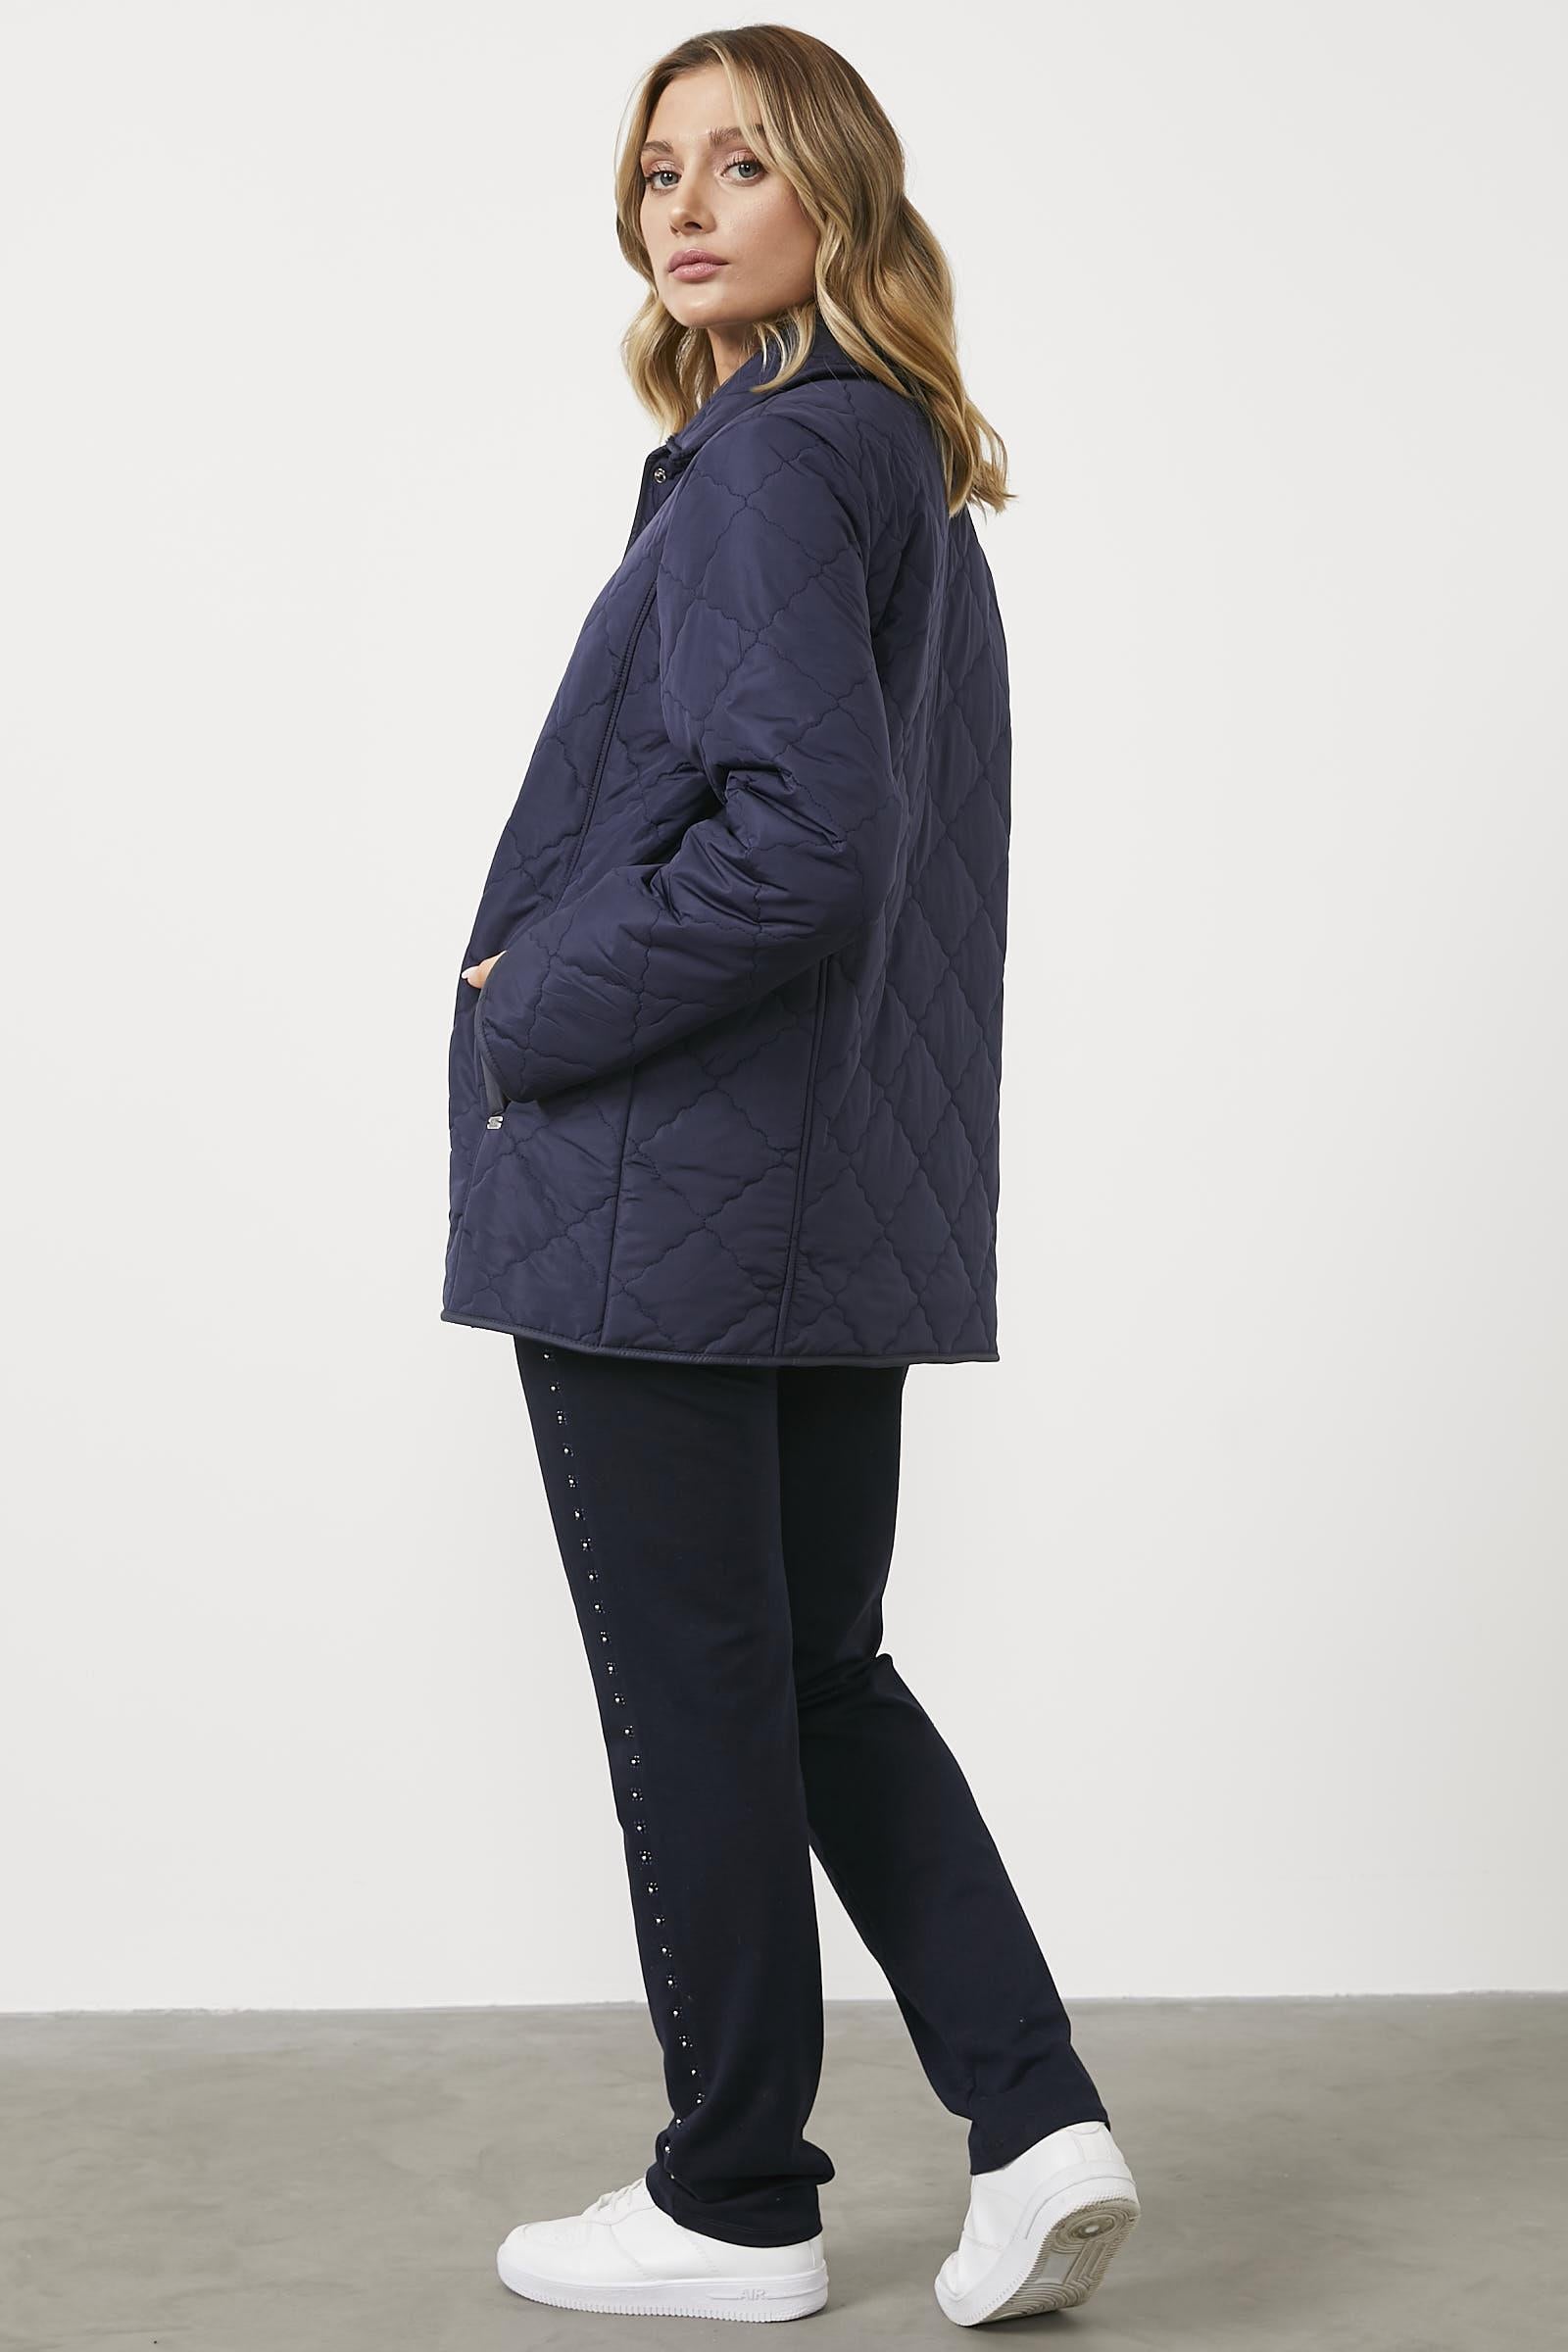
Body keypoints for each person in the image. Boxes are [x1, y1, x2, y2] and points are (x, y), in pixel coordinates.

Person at [444, 24, 1141, 2329]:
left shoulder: (764, 467)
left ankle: (732, 2199)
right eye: (659, 165)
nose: (684, 201)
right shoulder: (890, 466)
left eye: (739, 162)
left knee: (702, 1693)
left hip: (665, 1189)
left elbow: (806, 854)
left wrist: (521, 999)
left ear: (833, 198)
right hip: (830, 1194)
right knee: (818, 1675)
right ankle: (1032, 2121)